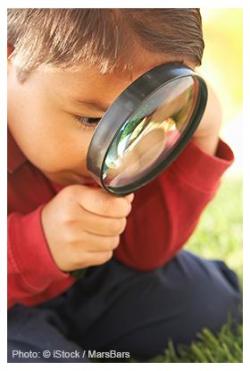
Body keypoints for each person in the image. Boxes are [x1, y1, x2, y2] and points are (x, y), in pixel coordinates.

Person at [7, 9, 241, 363]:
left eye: (145, 119)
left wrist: (200, 138)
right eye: (92, 120)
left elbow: (144, 253)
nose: (116, 155)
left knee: (212, 301)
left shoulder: (134, 145)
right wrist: (35, 246)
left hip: (91, 285)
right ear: (9, 58)